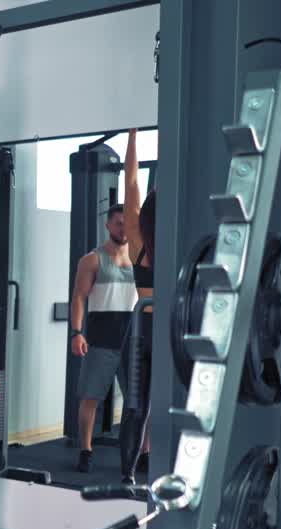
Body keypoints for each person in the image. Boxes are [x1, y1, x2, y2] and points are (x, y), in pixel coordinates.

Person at [69, 195, 139, 474]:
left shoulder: (141, 258)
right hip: (102, 338)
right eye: (119, 224)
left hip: (135, 338)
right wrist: (77, 332)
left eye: (127, 225)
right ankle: (85, 451)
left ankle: (142, 453)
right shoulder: (92, 259)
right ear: (108, 225)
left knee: (139, 402)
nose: (123, 230)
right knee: (90, 397)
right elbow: (78, 297)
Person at [119, 128, 156, 483]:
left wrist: (132, 136)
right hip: (174, 326)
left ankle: (127, 477)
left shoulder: (137, 239)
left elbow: (130, 181)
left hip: (141, 328)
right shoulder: (183, 240)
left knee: (136, 408)